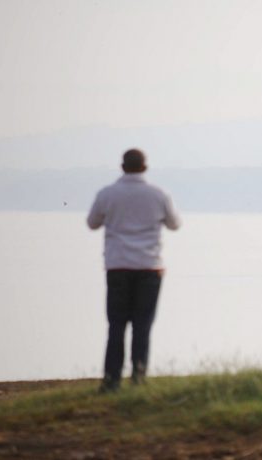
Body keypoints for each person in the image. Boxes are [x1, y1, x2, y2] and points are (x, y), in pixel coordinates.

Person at [87, 149, 181, 392]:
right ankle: (138, 378)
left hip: (118, 267)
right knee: (143, 326)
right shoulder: (159, 194)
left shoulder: (107, 194)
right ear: (145, 167)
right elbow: (174, 224)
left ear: (122, 166)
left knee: (116, 325)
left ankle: (111, 381)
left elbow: (92, 223)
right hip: (149, 267)